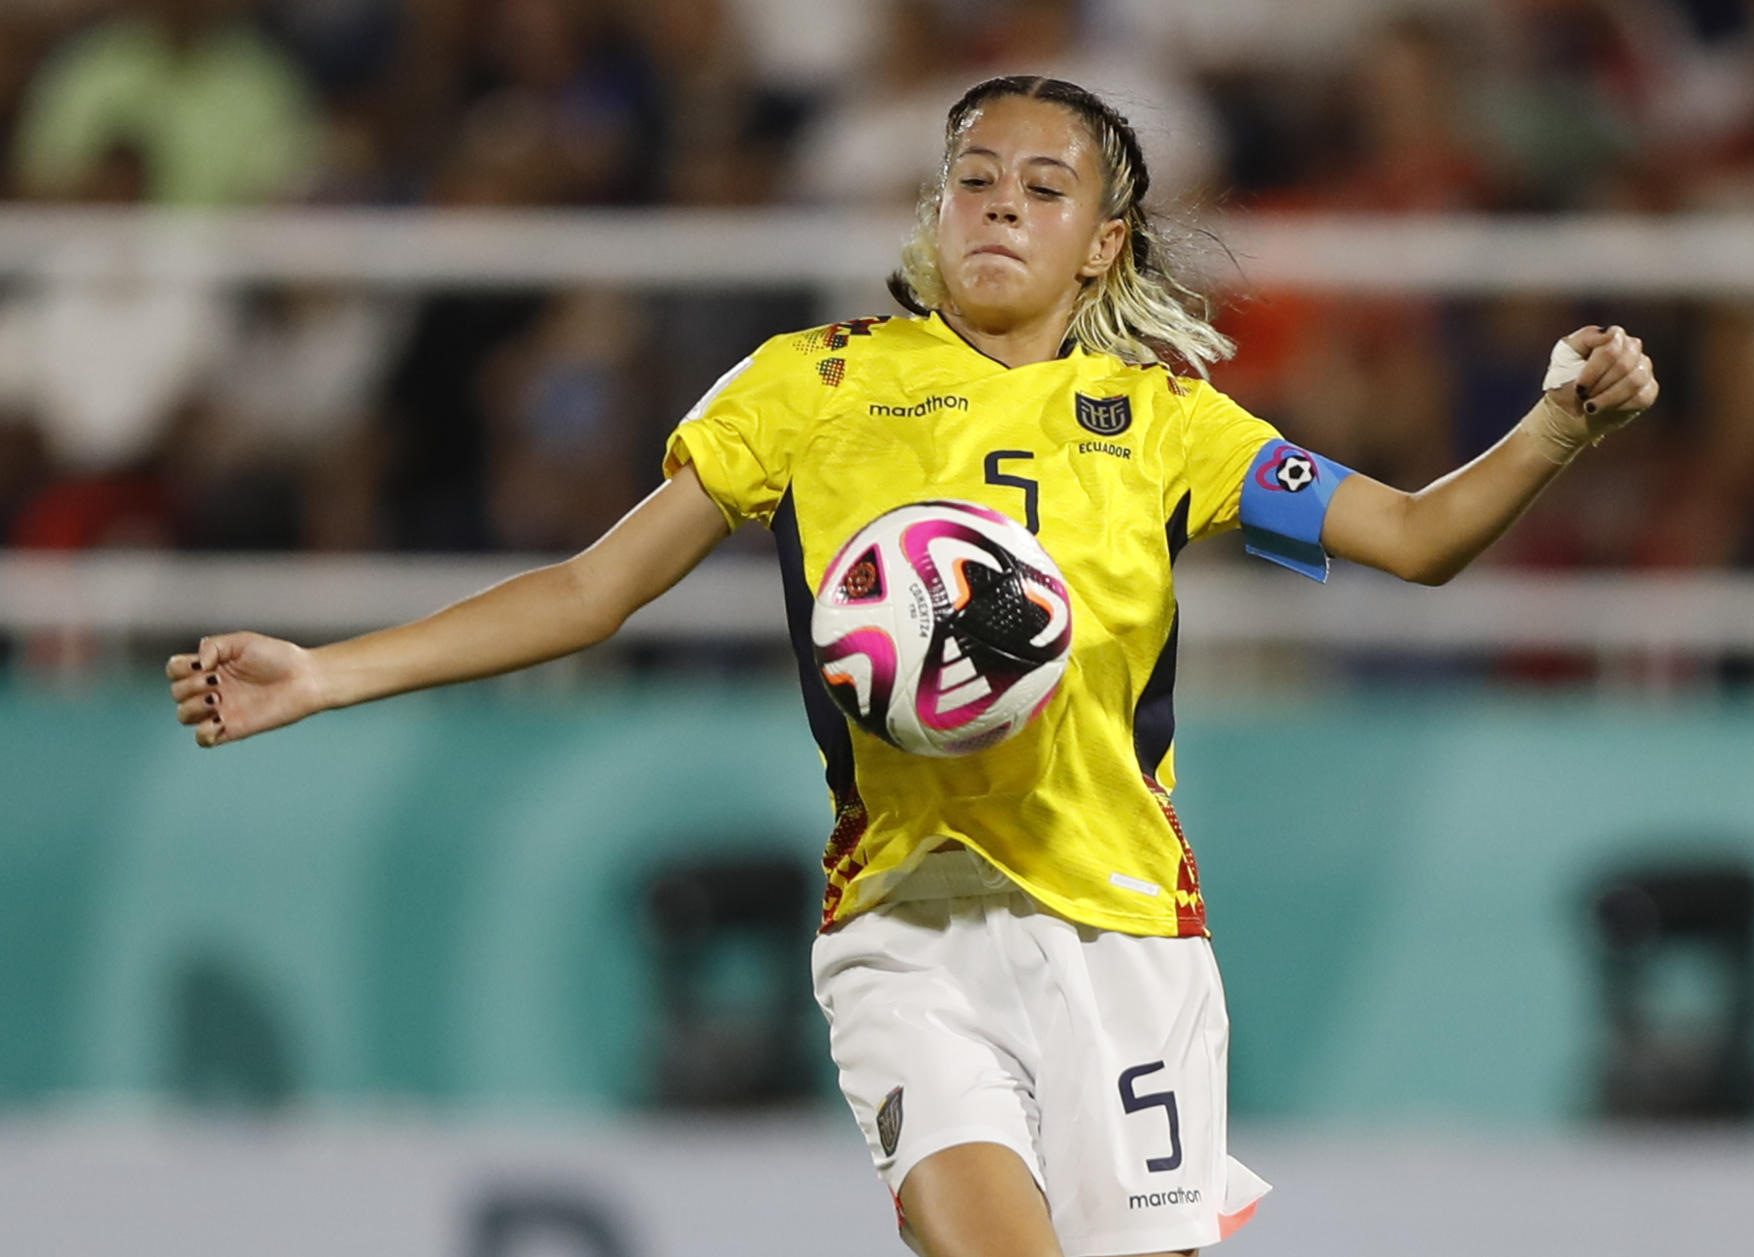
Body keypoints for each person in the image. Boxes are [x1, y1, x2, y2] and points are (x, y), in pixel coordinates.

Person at [165, 75, 1659, 1257]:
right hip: (909, 931)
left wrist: (1556, 431)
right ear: (935, 207)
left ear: (1106, 243)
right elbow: (591, 585)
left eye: (1044, 187)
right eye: (975, 179)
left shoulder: (1166, 426)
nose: (1002, 206)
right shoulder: (810, 388)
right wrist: (328, 674)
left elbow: (1411, 537)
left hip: (1128, 944)